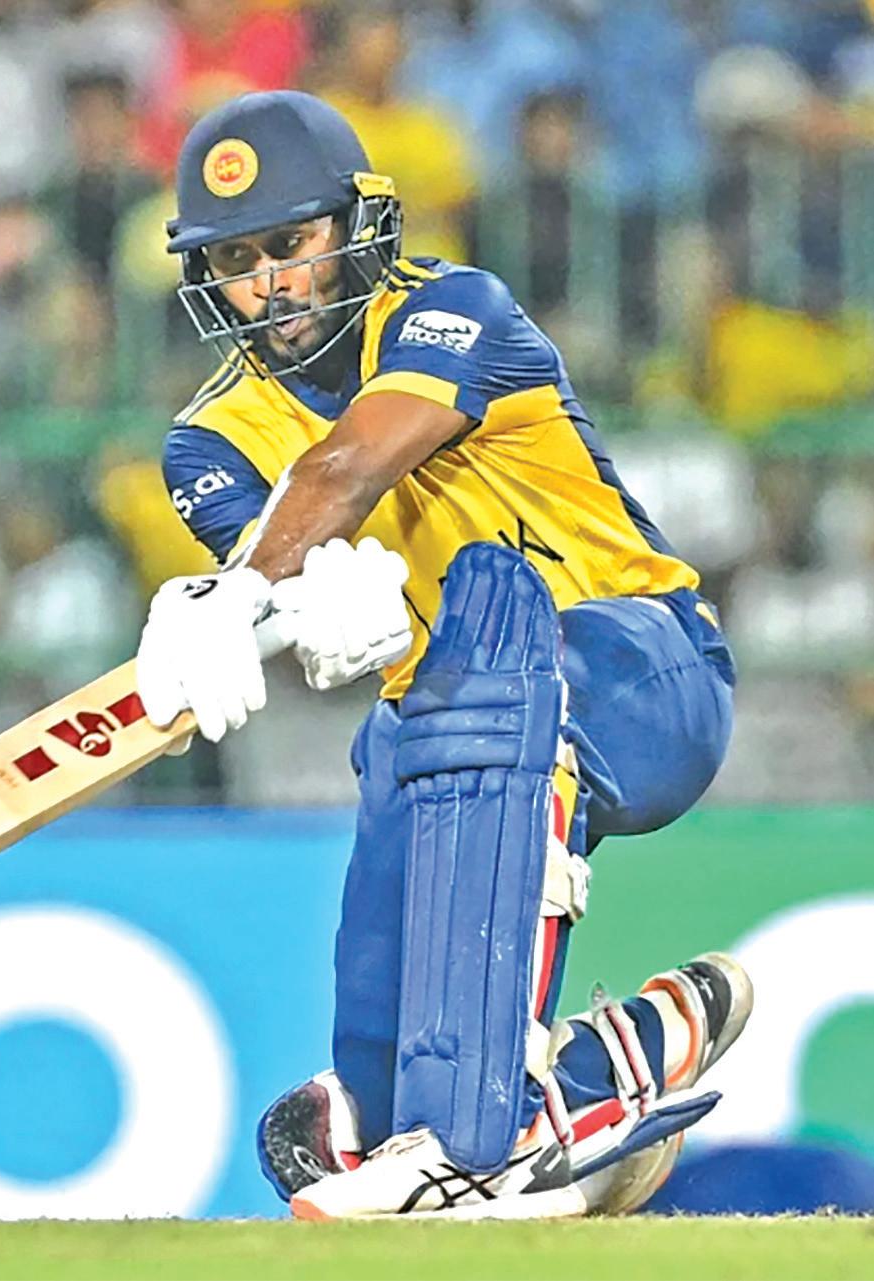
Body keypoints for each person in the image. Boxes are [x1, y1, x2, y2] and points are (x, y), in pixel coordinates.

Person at [134, 90, 751, 1220]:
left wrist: (243, 588)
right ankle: (587, 1076)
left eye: (292, 242)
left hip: (641, 668)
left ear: (355, 226)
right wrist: (294, 609)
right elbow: (300, 590)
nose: (271, 281)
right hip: (448, 730)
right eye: (237, 260)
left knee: (487, 664)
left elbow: (346, 470)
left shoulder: (454, 308)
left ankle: (484, 1131)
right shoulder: (207, 441)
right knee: (368, 1112)